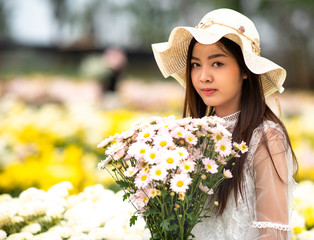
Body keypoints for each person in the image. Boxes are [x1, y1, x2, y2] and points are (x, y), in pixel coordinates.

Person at [151, 8, 298, 240]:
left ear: (246, 70)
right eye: (195, 64)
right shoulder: (190, 136)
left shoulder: (265, 137)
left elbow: (273, 235)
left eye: (217, 64)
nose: (203, 77)